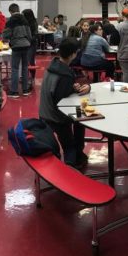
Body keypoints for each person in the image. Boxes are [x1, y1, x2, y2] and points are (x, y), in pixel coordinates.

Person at [39, 38, 91, 167]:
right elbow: (61, 103)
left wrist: (72, 88)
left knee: (78, 120)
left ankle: (78, 154)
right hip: (55, 117)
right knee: (79, 121)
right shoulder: (65, 75)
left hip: (44, 112)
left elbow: (57, 91)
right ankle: (72, 163)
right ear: (73, 54)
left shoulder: (54, 66)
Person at [3, 4, 33, 97]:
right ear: (18, 10)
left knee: (15, 68)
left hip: (16, 46)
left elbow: (6, 35)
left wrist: (5, 39)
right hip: (26, 45)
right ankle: (25, 90)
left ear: (10, 12)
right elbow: (29, 35)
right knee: (24, 67)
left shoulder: (11, 21)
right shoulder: (25, 20)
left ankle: (14, 91)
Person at [22, 9, 40, 82]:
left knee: (30, 61)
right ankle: (25, 77)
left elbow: (35, 35)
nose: (22, 16)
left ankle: (32, 77)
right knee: (25, 61)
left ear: (27, 15)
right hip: (26, 44)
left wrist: (28, 40)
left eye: (23, 15)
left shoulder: (34, 23)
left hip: (32, 44)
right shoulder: (24, 22)